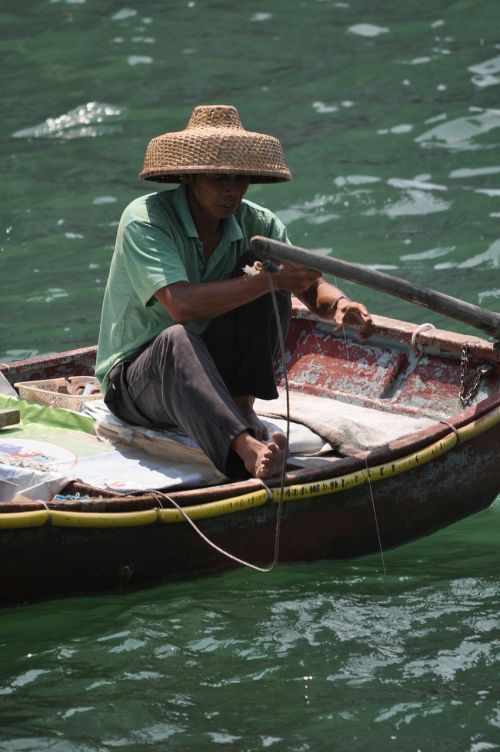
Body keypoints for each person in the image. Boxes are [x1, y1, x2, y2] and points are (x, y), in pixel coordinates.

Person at [96, 105, 372, 480]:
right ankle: (246, 448)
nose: (232, 190)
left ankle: (241, 406)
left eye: (240, 179)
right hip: (135, 381)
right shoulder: (145, 219)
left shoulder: (257, 222)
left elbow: (308, 285)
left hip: (208, 363)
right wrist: (270, 280)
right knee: (181, 337)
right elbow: (181, 306)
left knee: (270, 280)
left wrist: (339, 305)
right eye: (219, 179)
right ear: (190, 177)